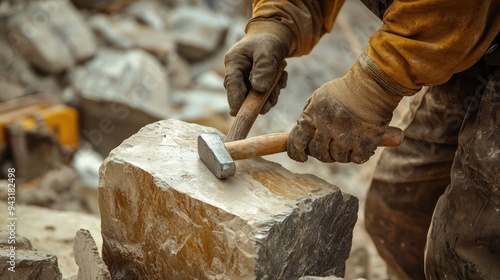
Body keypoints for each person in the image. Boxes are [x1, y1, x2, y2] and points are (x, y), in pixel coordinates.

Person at [223, 0, 500, 279]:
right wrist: (276, 21)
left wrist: (374, 85)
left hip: (457, 22)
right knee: (400, 209)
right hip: (457, 43)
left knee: (470, 251)